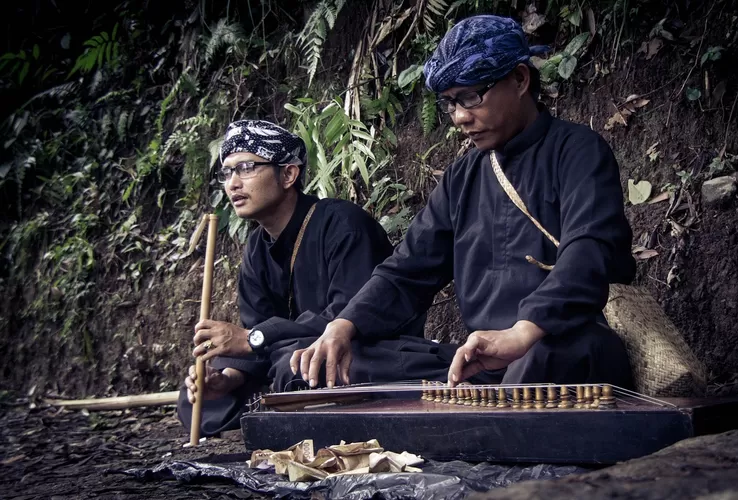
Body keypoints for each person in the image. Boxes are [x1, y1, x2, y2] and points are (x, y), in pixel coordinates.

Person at [290, 15, 636, 390]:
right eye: (450, 103)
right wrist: (344, 324)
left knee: (548, 358)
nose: (459, 117)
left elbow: (588, 250)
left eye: (470, 97)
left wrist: (523, 332)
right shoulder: (461, 177)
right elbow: (407, 270)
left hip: (557, 344)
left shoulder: (578, 151)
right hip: (482, 360)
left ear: (520, 80)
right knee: (346, 361)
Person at [178, 120, 456, 437]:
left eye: (245, 168)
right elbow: (257, 343)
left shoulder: (342, 223)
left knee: (289, 364)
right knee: (198, 392)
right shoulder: (256, 248)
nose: (233, 184)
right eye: (226, 173)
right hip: (296, 357)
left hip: (370, 350)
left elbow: (353, 316)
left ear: (288, 174)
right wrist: (227, 378)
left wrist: (257, 339)